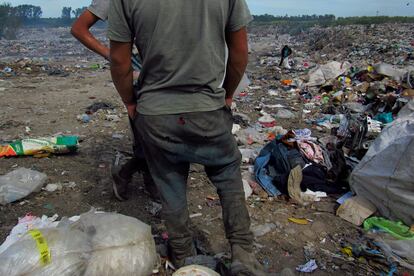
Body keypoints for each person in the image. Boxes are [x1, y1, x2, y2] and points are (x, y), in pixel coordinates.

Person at [108, 0, 265, 274]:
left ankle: (183, 253)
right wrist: (226, 94)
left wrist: (130, 101)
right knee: (227, 170)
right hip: (208, 109)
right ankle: (242, 252)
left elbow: (120, 59)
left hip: (156, 113)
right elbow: (239, 51)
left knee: (169, 179)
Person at [70, 0, 158, 202]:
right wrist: (113, 56)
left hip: (164, 68)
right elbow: (79, 28)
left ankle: (134, 173)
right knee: (145, 129)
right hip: (137, 70)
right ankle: (137, 175)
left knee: (162, 130)